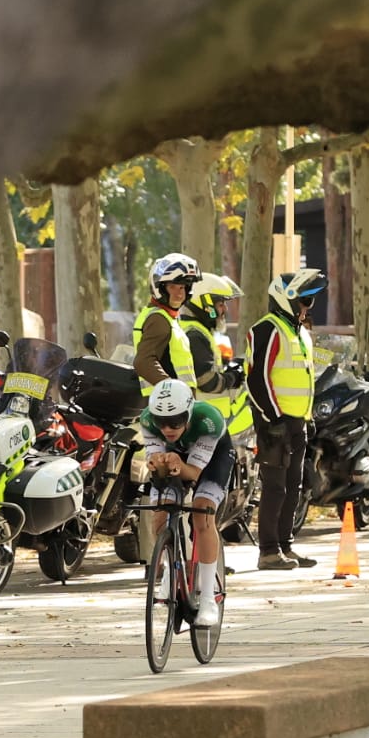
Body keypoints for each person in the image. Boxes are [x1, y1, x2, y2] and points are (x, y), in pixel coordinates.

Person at [246, 268, 326, 570]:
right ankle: (267, 551)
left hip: (298, 421)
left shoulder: (300, 332)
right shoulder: (266, 329)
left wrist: (308, 416)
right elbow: (257, 379)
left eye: (310, 302)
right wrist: (272, 418)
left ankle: (285, 545)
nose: (307, 308)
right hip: (273, 423)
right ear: (287, 299)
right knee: (275, 487)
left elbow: (303, 378)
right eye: (304, 301)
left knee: (296, 485)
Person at [138, 379, 229, 627]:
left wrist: (177, 462)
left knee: (202, 515)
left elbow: (194, 474)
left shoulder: (209, 420)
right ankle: (170, 568)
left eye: (176, 421)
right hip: (175, 458)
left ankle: (209, 598)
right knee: (161, 515)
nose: (167, 428)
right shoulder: (147, 419)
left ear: (188, 412)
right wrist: (157, 464)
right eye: (161, 422)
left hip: (211, 462)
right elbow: (156, 465)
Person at [182, 273, 251, 434]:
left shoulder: (194, 329)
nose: (225, 309)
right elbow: (207, 381)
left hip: (203, 418)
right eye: (220, 304)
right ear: (206, 304)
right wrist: (233, 377)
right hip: (204, 421)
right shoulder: (195, 335)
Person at [132, 253, 201, 397]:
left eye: (182, 288)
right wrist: (173, 391)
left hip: (168, 403)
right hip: (166, 405)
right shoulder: (158, 318)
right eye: (173, 287)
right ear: (160, 288)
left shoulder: (167, 317)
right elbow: (143, 362)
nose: (179, 294)